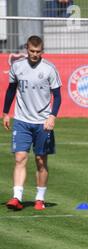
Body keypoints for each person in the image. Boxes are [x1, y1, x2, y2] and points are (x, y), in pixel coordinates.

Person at [2, 35, 62, 211]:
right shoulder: (17, 67)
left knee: (40, 161)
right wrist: (6, 113)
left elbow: (57, 96)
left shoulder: (50, 69)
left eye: (38, 51)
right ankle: (16, 197)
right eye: (32, 51)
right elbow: (11, 90)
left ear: (42, 51)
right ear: (27, 49)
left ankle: (39, 198)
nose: (35, 54)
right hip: (21, 120)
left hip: (42, 122)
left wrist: (52, 116)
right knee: (20, 158)